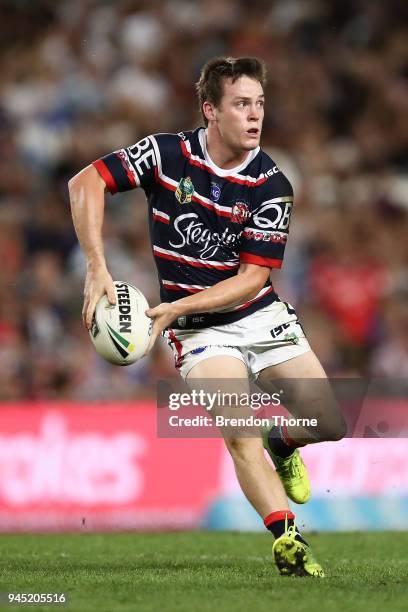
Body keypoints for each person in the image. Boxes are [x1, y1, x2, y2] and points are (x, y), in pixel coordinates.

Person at [69, 56, 346, 577]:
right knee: (239, 430)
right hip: (199, 334)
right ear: (210, 111)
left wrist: (175, 306)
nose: (254, 115)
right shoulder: (166, 154)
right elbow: (85, 183)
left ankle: (284, 442)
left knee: (331, 422)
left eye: (259, 103)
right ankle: (286, 537)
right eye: (241, 104)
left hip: (256, 313)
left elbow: (252, 278)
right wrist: (96, 265)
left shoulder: (271, 184)